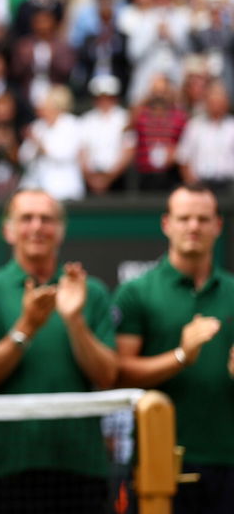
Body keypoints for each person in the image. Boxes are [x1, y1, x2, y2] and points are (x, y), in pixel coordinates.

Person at [0, 189, 118, 514]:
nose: (37, 227)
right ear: (8, 230)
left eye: (46, 219)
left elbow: (107, 375)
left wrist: (75, 320)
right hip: (3, 468)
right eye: (26, 218)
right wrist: (27, 326)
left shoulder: (93, 292)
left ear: (60, 231)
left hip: (80, 466)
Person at [114, 184, 234, 514]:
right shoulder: (136, 292)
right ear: (167, 223)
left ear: (218, 225)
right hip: (159, 464)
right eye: (184, 218)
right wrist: (181, 356)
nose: (193, 227)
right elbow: (118, 374)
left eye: (202, 219)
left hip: (229, 463)